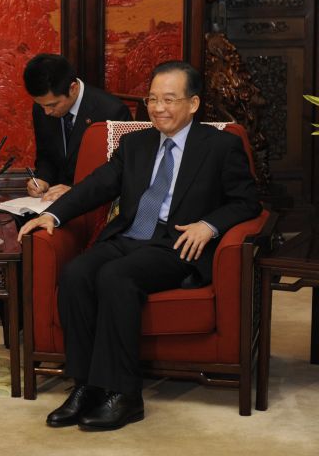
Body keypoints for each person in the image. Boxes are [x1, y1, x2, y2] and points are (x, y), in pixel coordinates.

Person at [18, 61, 261, 430]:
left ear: (193, 104)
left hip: (176, 243)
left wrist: (209, 226)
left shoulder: (221, 145)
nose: (158, 108)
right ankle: (85, 386)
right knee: (76, 273)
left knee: (115, 277)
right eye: (152, 99)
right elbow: (96, 185)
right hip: (130, 235)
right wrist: (53, 215)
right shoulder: (136, 143)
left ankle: (125, 394)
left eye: (169, 99)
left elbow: (247, 202)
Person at [24, 53, 131, 203]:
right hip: (52, 201)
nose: (47, 112)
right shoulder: (41, 108)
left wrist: (76, 191)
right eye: (41, 105)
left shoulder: (112, 111)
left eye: (53, 105)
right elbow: (46, 156)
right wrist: (42, 179)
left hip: (96, 203)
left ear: (73, 88)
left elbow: (121, 172)